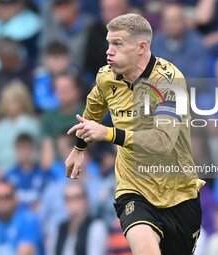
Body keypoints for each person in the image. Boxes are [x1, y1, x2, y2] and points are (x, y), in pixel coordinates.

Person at [66, 14, 205, 255]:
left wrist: (109, 134)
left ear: (142, 47)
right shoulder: (107, 77)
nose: (109, 51)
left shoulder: (169, 82)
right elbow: (92, 110)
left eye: (117, 44)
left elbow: (162, 141)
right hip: (133, 189)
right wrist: (79, 148)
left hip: (179, 192)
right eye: (109, 43)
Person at [0, 81, 40, 178]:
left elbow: (38, 152)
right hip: (3, 176)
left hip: (29, 174)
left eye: (14, 101)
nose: (10, 105)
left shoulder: (33, 126)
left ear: (23, 102)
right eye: (6, 101)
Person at [0, 181, 44, 255]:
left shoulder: (28, 220)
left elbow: (25, 252)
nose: (1, 202)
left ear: (15, 199)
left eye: (7, 197)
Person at [151, 3, 207, 78]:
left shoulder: (196, 42)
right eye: (168, 21)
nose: (172, 25)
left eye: (175, 21)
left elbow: (198, 76)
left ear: (184, 21)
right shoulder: (157, 41)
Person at [51, 181, 108, 255]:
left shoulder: (96, 227)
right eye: (67, 198)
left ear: (85, 200)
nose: (71, 203)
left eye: (76, 197)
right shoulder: (60, 229)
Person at [3, 133, 52, 211]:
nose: (23, 152)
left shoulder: (42, 173)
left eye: (26, 147)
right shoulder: (9, 175)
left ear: (32, 149)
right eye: (20, 148)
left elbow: (48, 199)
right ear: (15, 150)